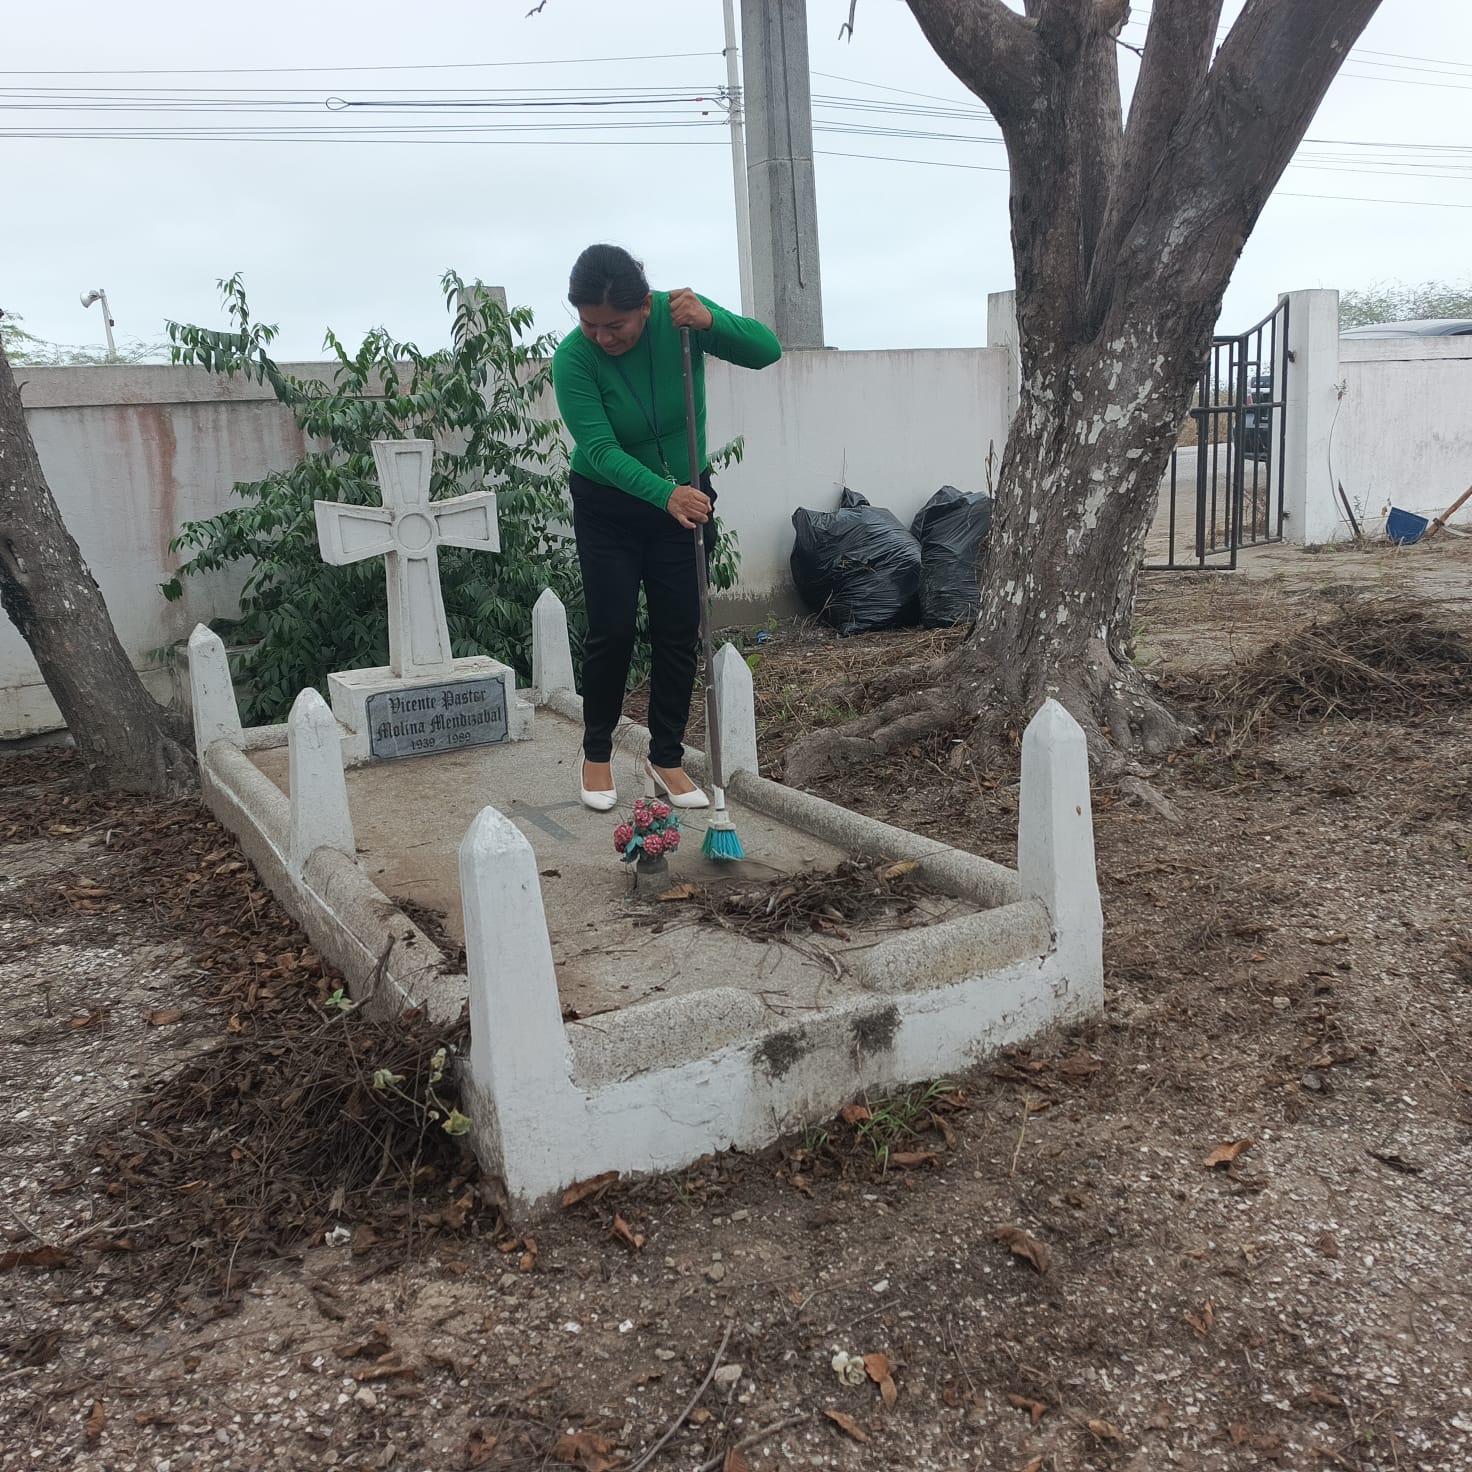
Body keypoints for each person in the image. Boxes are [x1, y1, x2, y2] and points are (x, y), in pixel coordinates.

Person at [552, 243, 781, 812]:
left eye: (615, 325)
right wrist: (664, 493)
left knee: (677, 630)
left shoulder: (680, 318)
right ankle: (597, 752)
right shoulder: (574, 359)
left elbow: (766, 351)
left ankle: (666, 758)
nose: (602, 337)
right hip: (609, 505)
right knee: (612, 628)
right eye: (589, 324)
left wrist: (713, 320)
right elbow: (600, 450)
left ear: (645, 307)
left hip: (686, 499)